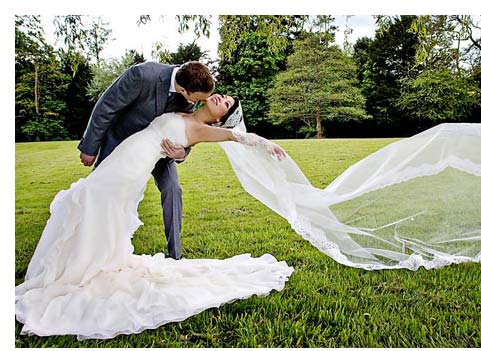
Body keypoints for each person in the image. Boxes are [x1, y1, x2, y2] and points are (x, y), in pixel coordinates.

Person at [15, 94, 293, 340]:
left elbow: (238, 137)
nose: (221, 98)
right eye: (223, 95)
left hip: (131, 169)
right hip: (121, 156)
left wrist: (267, 144)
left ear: (222, 118)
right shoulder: (184, 108)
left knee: (95, 200)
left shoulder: (203, 129)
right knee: (91, 198)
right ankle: (83, 261)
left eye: (227, 104)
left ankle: (87, 263)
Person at [78, 60, 215, 260]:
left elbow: (188, 128)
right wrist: (90, 147)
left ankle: (175, 256)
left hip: (161, 151)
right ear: (184, 90)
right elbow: (106, 107)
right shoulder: (142, 75)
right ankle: (88, 247)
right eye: (198, 100)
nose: (200, 103)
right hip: (121, 142)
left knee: (172, 189)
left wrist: (181, 153)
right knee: (98, 190)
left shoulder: (192, 92)